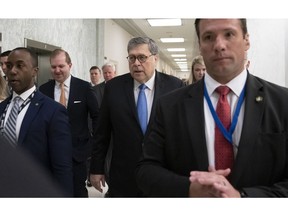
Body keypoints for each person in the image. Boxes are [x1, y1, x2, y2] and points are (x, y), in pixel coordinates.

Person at [136, 19, 288, 197]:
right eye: (208, 37)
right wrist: (189, 188)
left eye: (229, 34)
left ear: (247, 40)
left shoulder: (282, 102)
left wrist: (243, 198)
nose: (219, 45)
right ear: (200, 45)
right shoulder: (169, 106)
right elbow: (145, 170)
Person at [89, 36, 184, 197]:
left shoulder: (174, 86)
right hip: (123, 174)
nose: (136, 63)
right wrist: (96, 168)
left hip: (163, 173)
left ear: (155, 59)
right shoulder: (113, 88)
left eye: (142, 57)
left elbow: (182, 134)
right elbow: (102, 132)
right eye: (132, 58)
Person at [0, 47, 73, 196]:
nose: (12, 71)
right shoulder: (2, 108)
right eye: (9, 66)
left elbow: (62, 168)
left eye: (20, 65)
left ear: (35, 71)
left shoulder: (53, 111)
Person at [39, 48, 99, 197]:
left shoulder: (84, 88)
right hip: (50, 154)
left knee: (77, 193)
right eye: (53, 67)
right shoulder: (43, 89)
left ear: (70, 65)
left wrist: (92, 145)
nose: (57, 70)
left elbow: (97, 118)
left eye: (61, 66)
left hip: (77, 155)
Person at [89, 62, 117, 191]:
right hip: (102, 131)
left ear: (114, 73)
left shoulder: (121, 88)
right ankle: (110, 186)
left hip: (118, 131)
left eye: (109, 72)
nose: (107, 75)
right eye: (105, 72)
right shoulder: (95, 90)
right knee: (105, 160)